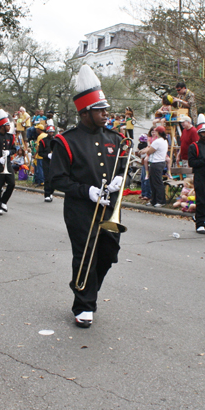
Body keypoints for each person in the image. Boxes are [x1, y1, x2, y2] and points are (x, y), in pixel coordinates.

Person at [49, 65, 126, 328]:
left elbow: (122, 167)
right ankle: (84, 305)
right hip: (81, 210)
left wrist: (118, 182)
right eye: (100, 110)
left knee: (108, 254)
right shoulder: (66, 141)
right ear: (85, 112)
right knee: (85, 256)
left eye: (106, 109)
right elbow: (57, 179)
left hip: (109, 208)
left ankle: (84, 288)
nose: (106, 114)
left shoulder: (115, 138)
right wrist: (88, 191)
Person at [139, 124, 168, 207]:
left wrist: (143, 151)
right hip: (160, 162)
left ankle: (160, 200)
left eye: (156, 131)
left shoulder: (158, 141)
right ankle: (154, 200)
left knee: (157, 182)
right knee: (153, 182)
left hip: (156, 163)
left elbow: (150, 151)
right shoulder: (164, 140)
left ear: (158, 132)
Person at [39, 125, 55, 201]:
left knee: (54, 178)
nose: (51, 133)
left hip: (55, 161)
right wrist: (47, 155)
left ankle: (51, 192)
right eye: (49, 131)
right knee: (47, 178)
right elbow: (40, 153)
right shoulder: (43, 141)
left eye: (52, 131)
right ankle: (47, 194)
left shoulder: (56, 140)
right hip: (46, 161)